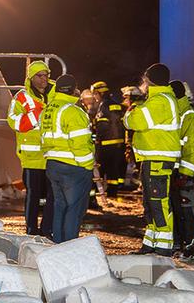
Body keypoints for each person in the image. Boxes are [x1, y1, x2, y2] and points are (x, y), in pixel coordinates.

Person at [122, 63, 181, 256]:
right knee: (150, 203)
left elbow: (134, 122)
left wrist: (131, 112)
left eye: (145, 79)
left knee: (158, 202)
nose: (143, 83)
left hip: (158, 158)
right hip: (152, 158)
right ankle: (151, 244)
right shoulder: (156, 99)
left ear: (149, 80)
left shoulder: (159, 101)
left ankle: (163, 248)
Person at [42, 74, 95, 242]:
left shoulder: (48, 110)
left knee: (60, 208)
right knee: (74, 210)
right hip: (74, 167)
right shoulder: (73, 111)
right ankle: (70, 247)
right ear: (73, 90)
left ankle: (59, 245)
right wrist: (88, 166)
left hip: (53, 165)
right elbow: (80, 144)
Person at [7, 60, 55, 237]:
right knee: (33, 196)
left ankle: (47, 229)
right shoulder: (21, 97)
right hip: (32, 157)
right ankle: (31, 230)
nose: (44, 79)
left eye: (46, 75)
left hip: (53, 154)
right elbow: (14, 122)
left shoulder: (56, 94)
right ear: (31, 77)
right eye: (40, 76)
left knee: (53, 196)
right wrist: (37, 115)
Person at [170, 80, 194, 259]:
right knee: (178, 208)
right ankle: (182, 242)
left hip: (184, 172)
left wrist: (186, 173)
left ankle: (193, 245)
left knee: (186, 207)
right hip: (176, 171)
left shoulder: (190, 116)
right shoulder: (179, 113)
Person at [91, 81, 128, 197]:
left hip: (106, 143)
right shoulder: (117, 105)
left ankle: (97, 192)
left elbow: (102, 125)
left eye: (95, 94)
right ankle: (113, 191)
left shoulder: (104, 105)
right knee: (114, 168)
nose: (94, 97)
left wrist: (97, 139)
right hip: (119, 143)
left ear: (99, 93)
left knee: (103, 167)